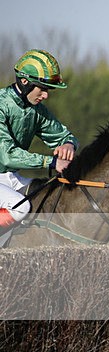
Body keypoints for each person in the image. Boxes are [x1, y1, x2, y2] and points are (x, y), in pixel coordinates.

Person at [0, 49, 78, 236]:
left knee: (48, 197)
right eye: (42, 89)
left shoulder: (37, 110)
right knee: (20, 207)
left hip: (10, 178)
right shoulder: (2, 104)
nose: (46, 95)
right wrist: (50, 162)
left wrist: (68, 144)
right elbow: (7, 155)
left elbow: (63, 135)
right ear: (24, 82)